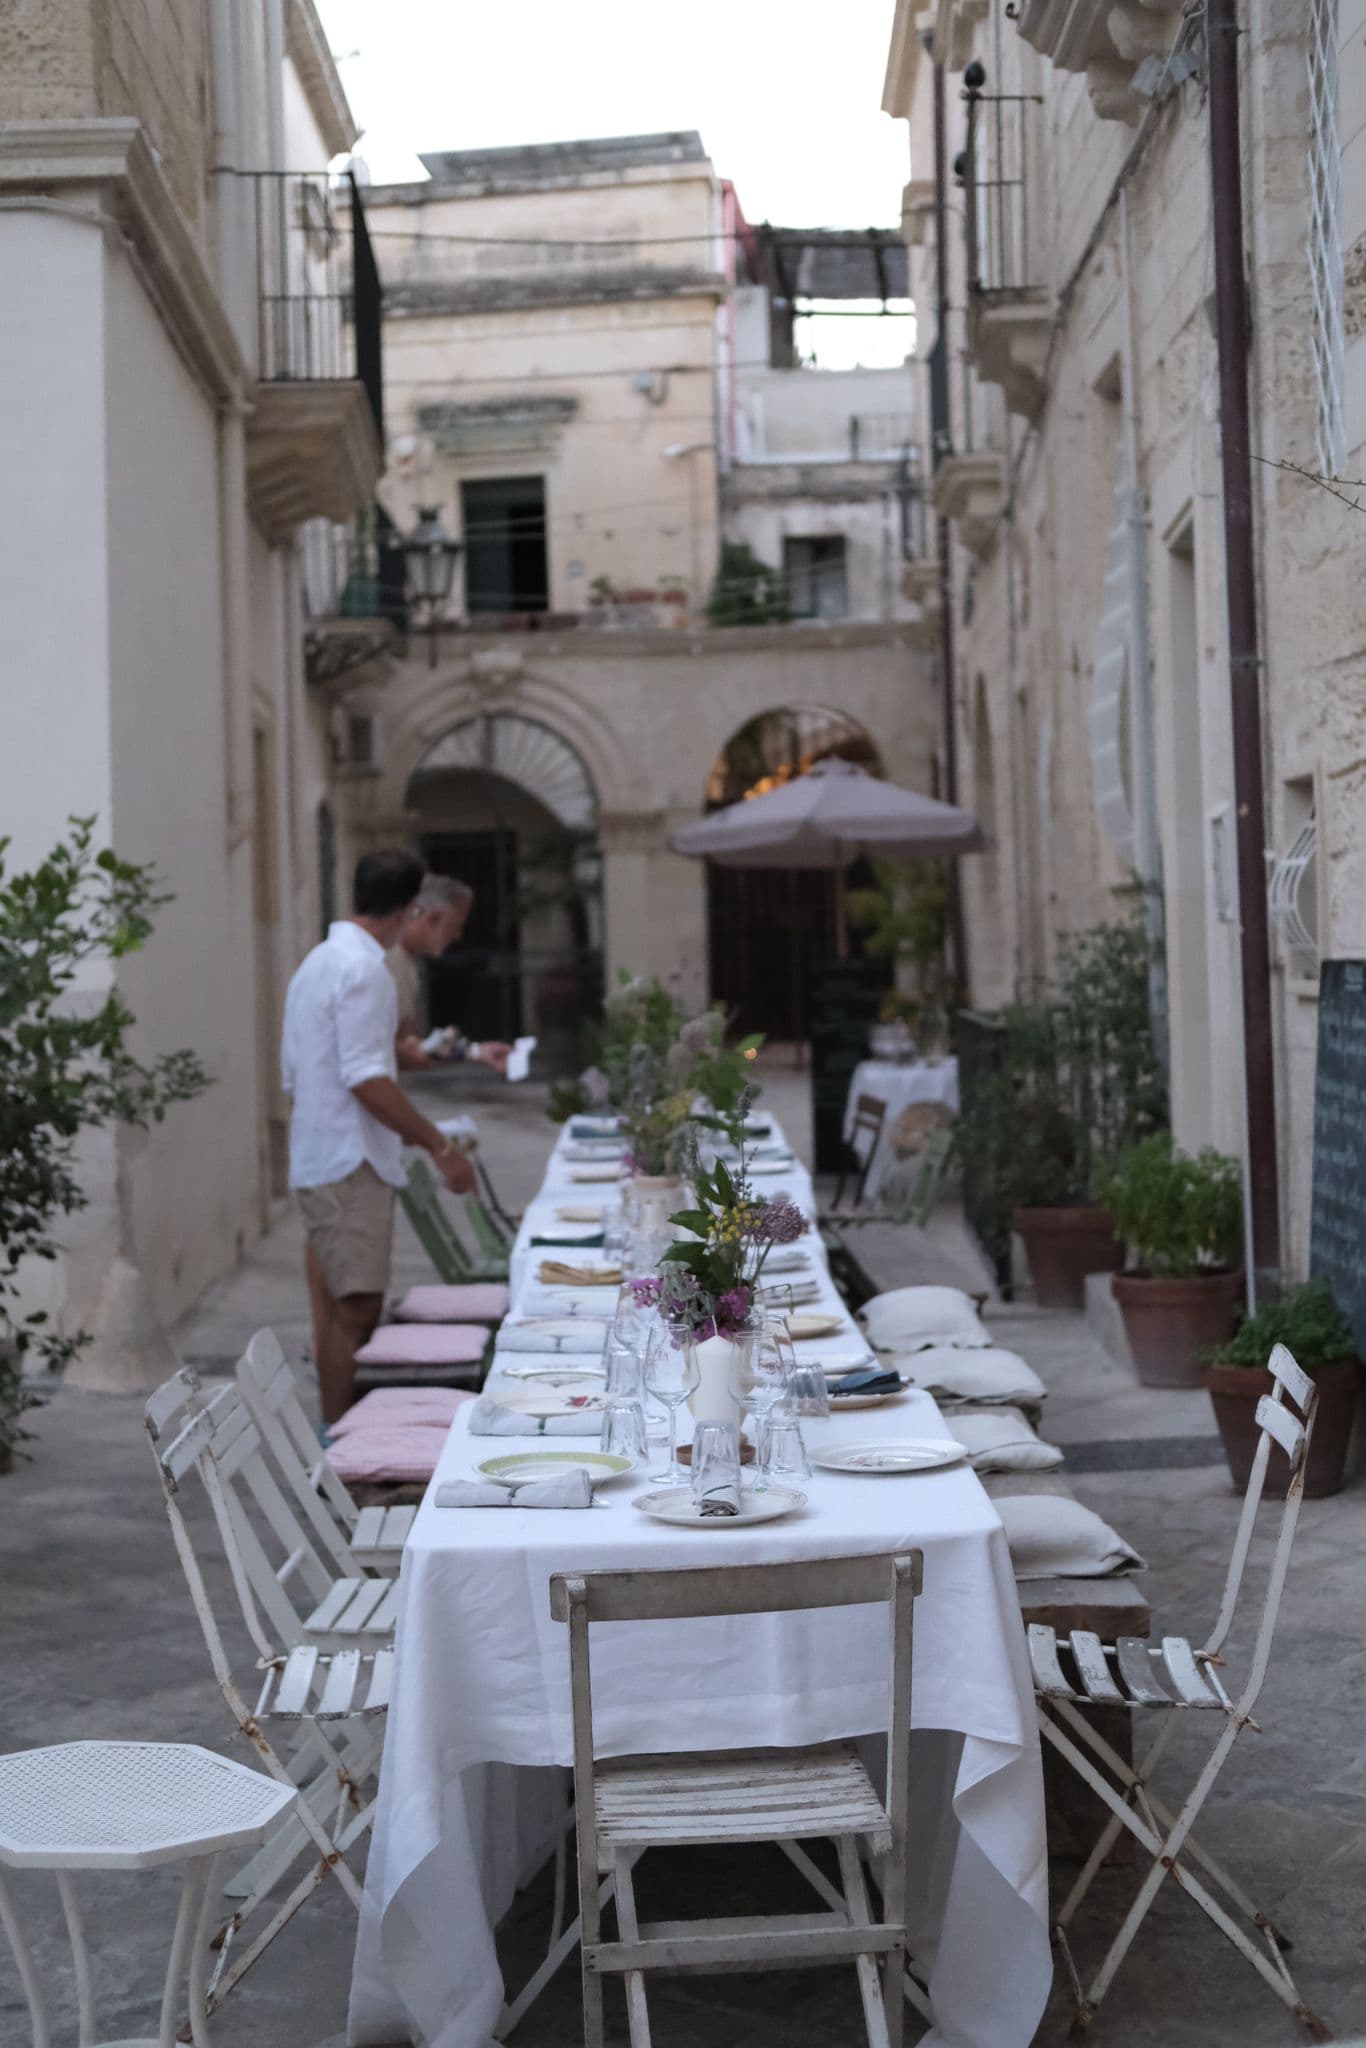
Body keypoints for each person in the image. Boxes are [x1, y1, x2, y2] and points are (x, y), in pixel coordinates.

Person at [281, 850, 476, 1422]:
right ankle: (342, 1444)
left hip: (321, 1151)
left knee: (338, 1308)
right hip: (348, 1158)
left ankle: (334, 1437)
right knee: (356, 1309)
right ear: (411, 906)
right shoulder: (365, 969)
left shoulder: (321, 960)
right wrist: (439, 1147)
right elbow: (366, 1078)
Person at [386, 873, 512, 1074]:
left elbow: (408, 1043)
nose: (457, 935)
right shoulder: (384, 959)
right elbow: (381, 1049)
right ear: (431, 918)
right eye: (455, 926)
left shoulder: (407, 962)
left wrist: (476, 1051)